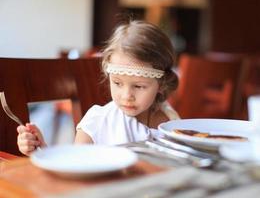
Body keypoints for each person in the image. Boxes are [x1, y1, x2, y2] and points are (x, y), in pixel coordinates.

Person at [17, 20, 180, 156]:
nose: (126, 95)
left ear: (161, 83)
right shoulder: (98, 122)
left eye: (138, 86)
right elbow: (73, 167)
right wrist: (41, 149)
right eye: (117, 83)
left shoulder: (170, 120)